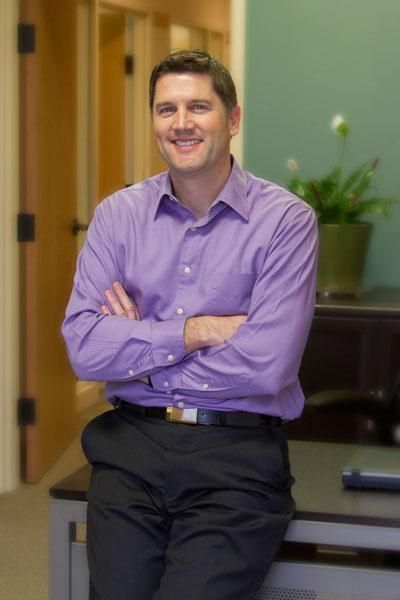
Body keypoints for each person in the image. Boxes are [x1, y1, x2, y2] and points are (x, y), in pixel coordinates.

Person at [62, 49, 318, 600]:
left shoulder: (286, 223)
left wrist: (137, 349)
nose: (181, 123)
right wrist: (195, 332)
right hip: (129, 449)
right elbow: (84, 348)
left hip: (236, 460)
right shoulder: (117, 217)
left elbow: (267, 365)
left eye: (198, 106)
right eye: (166, 109)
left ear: (232, 120)